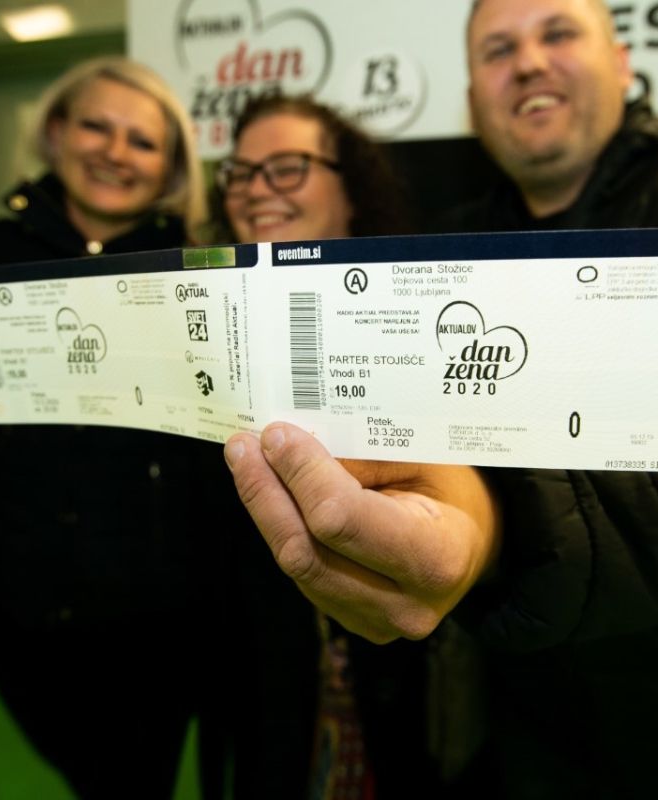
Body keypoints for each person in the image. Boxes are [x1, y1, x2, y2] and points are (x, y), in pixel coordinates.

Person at [224, 0, 658, 796]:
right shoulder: (453, 250)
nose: (528, 62)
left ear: (622, 63)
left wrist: (502, 522)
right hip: (543, 743)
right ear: (474, 99)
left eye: (557, 32)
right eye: (497, 50)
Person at [0, 56, 216, 799]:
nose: (116, 153)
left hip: (160, 630)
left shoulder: (203, 273)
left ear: (171, 169)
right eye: (96, 127)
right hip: (20, 620)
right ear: (55, 132)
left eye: (142, 141)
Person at [208, 95, 434, 799]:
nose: (257, 190)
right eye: (242, 172)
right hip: (266, 691)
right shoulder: (209, 324)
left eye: (287, 167)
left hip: (410, 681)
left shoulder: (423, 311)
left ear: (351, 189)